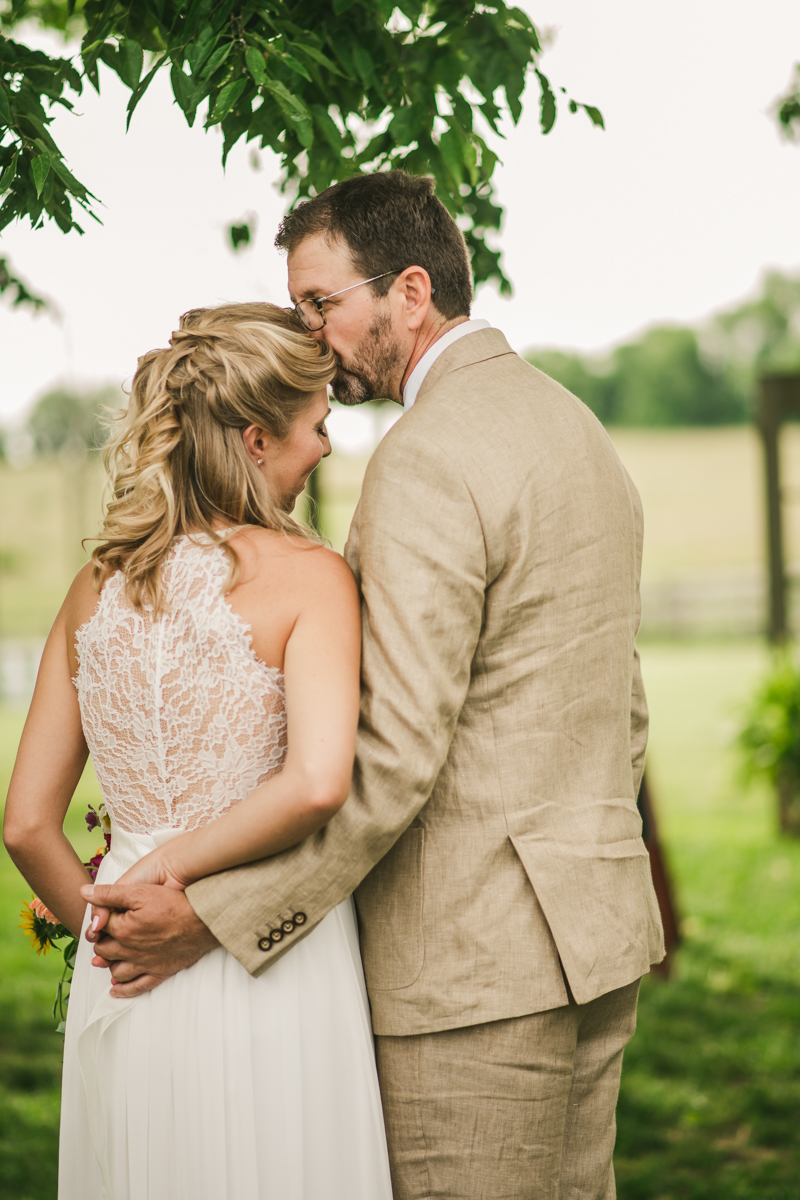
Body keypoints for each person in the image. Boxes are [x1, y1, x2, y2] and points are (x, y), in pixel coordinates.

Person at [83, 172, 666, 1199]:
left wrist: (216, 914)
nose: (311, 338)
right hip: (593, 935)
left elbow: (389, 757)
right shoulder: (575, 427)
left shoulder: (425, 459)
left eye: (321, 305)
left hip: (467, 970)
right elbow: (619, 710)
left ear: (406, 291)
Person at [2, 302, 393, 1200]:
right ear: (257, 440)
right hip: (274, 967)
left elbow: (27, 824)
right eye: (317, 424)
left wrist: (111, 935)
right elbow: (318, 781)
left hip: (127, 966)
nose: (327, 446)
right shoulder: (312, 577)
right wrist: (182, 887)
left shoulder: (93, 584)